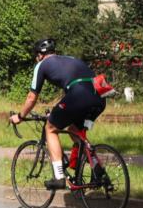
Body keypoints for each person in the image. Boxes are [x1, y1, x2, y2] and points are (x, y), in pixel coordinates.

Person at [10, 38, 106, 189]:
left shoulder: (41, 65)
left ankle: (59, 176)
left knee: (50, 128)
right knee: (74, 130)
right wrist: (58, 112)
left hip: (79, 96)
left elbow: (31, 97)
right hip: (100, 98)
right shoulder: (70, 59)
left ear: (40, 55)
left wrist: (20, 116)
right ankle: (96, 167)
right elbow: (76, 87)